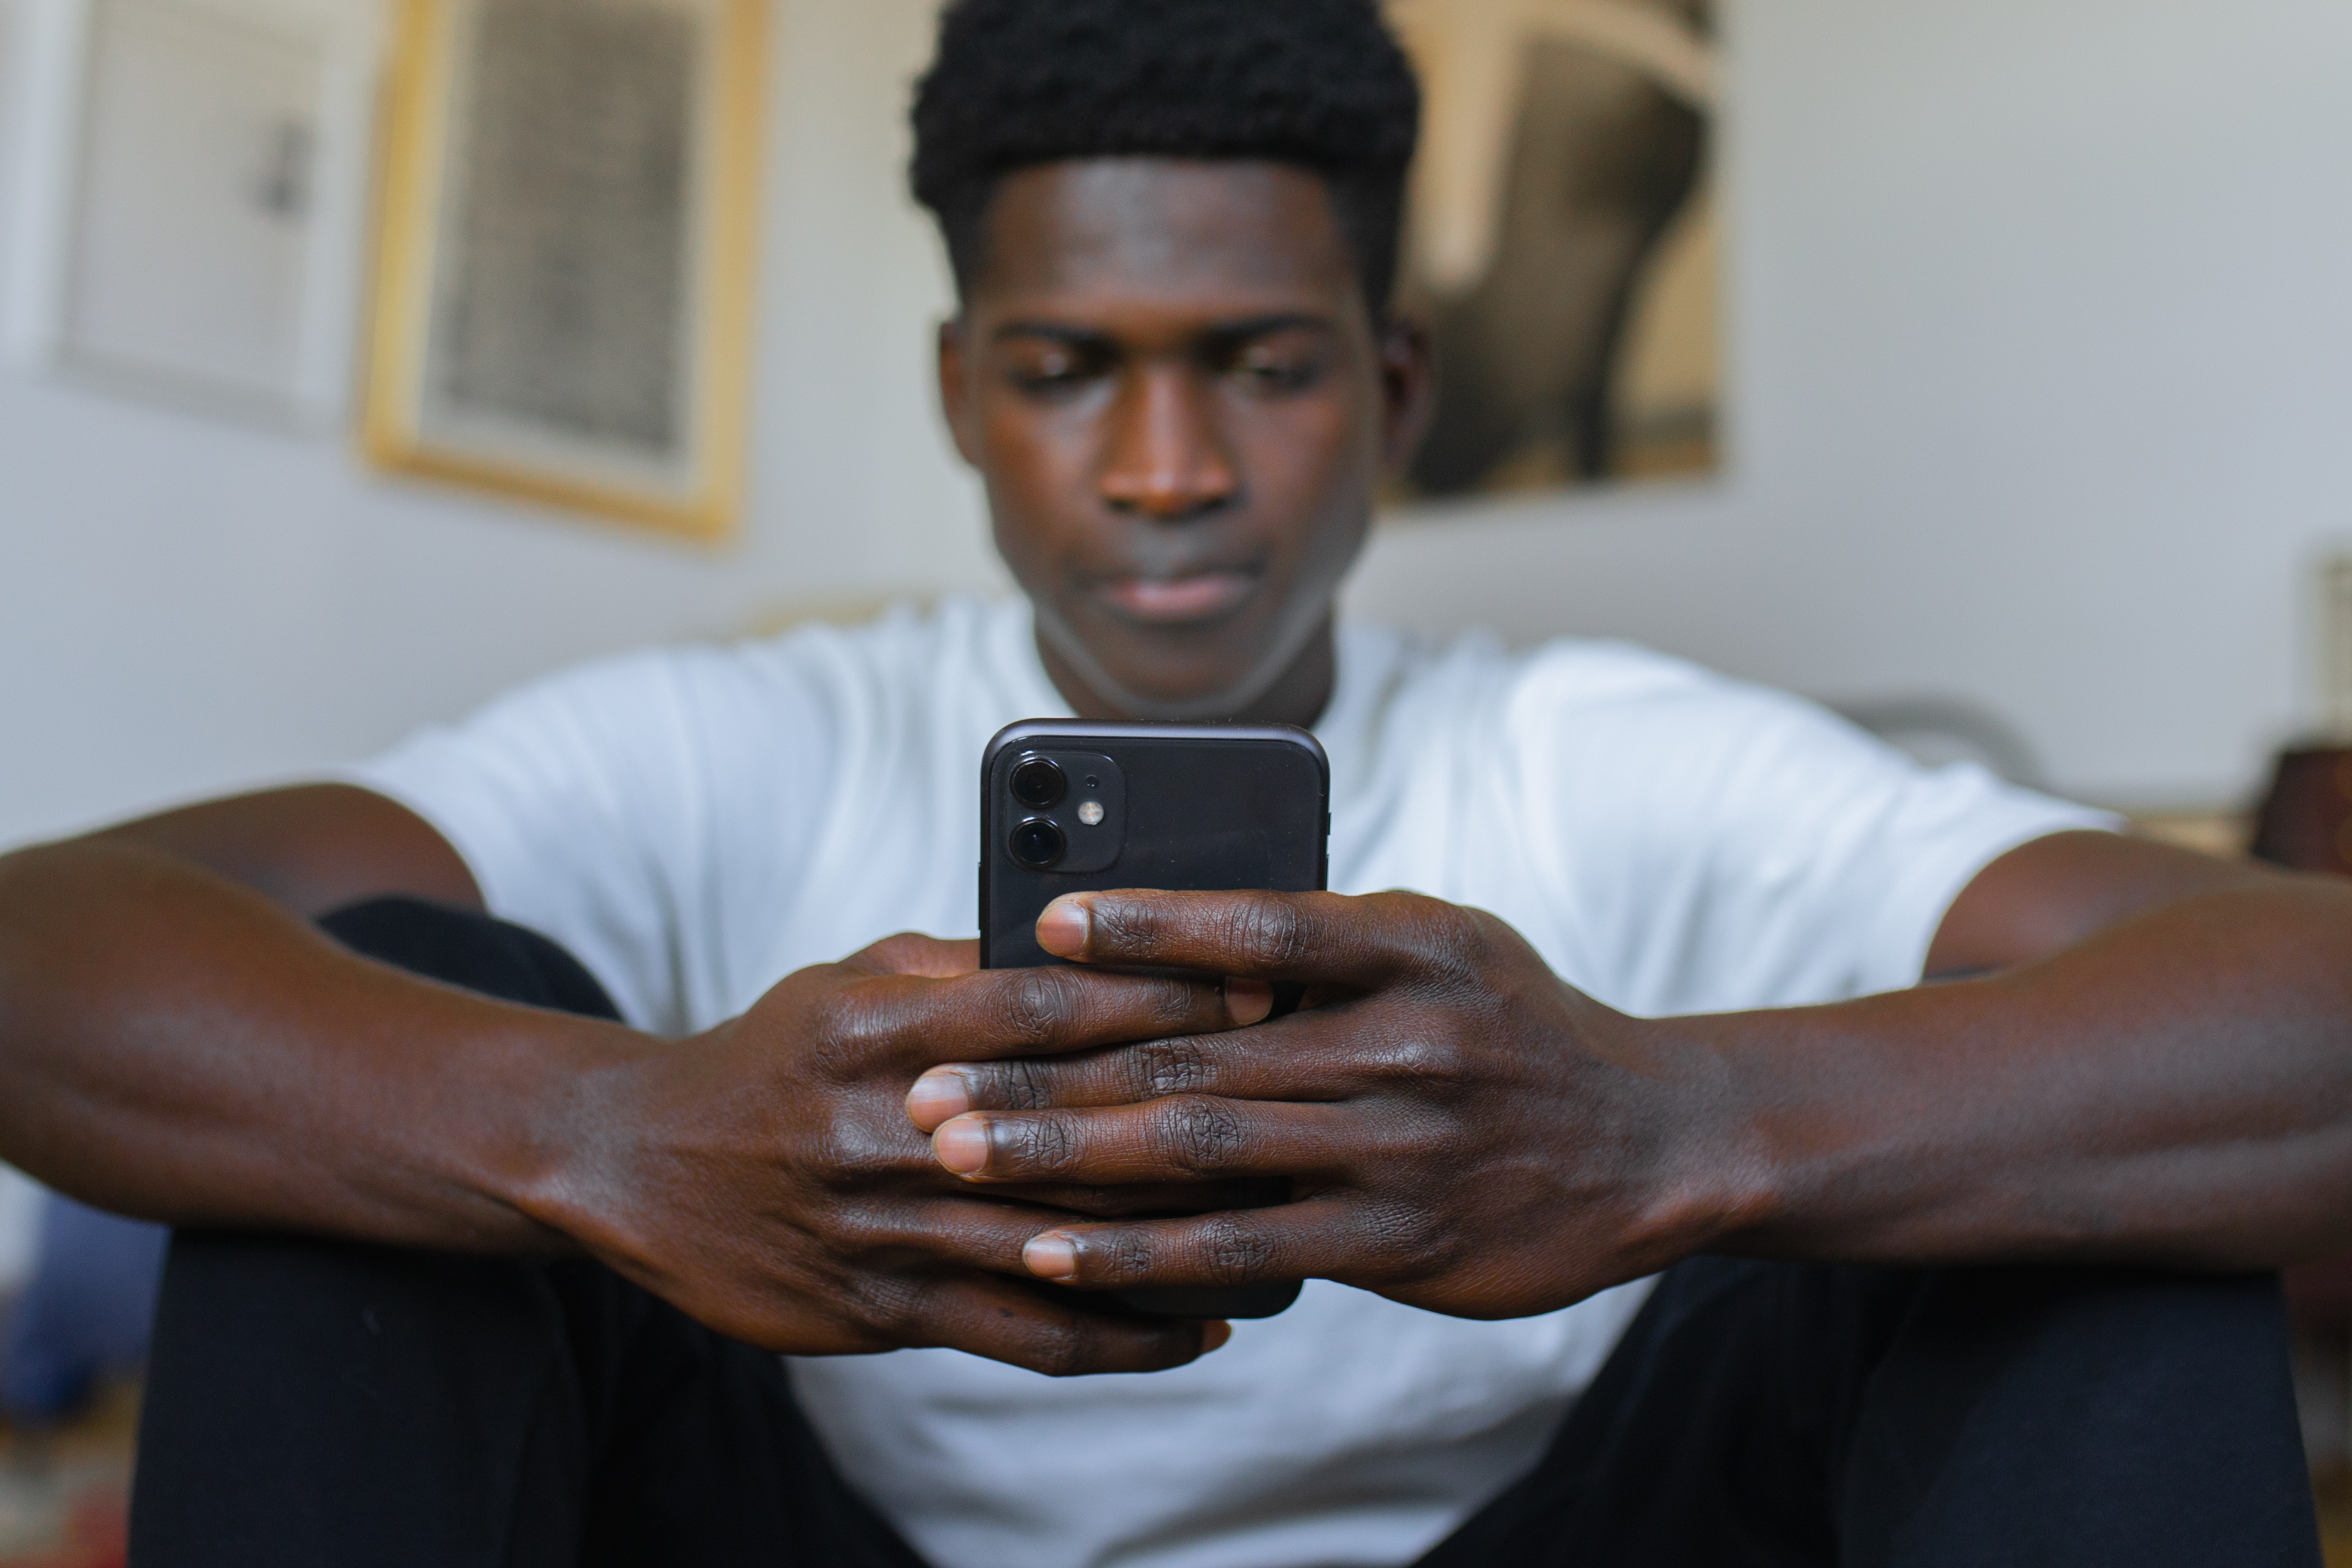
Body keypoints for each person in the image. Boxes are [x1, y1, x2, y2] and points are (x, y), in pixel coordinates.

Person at [0, 0, 2342, 1563]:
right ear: (954, 395)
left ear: (1398, 384)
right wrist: (608, 1138)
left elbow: (2294, 993)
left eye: (1257, 364)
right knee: (401, 1022)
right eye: (1061, 369)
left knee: (2084, 1178)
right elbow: (41, 945)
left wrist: (1670, 1129)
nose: (1160, 468)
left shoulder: (1604, 753)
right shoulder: (732, 743)